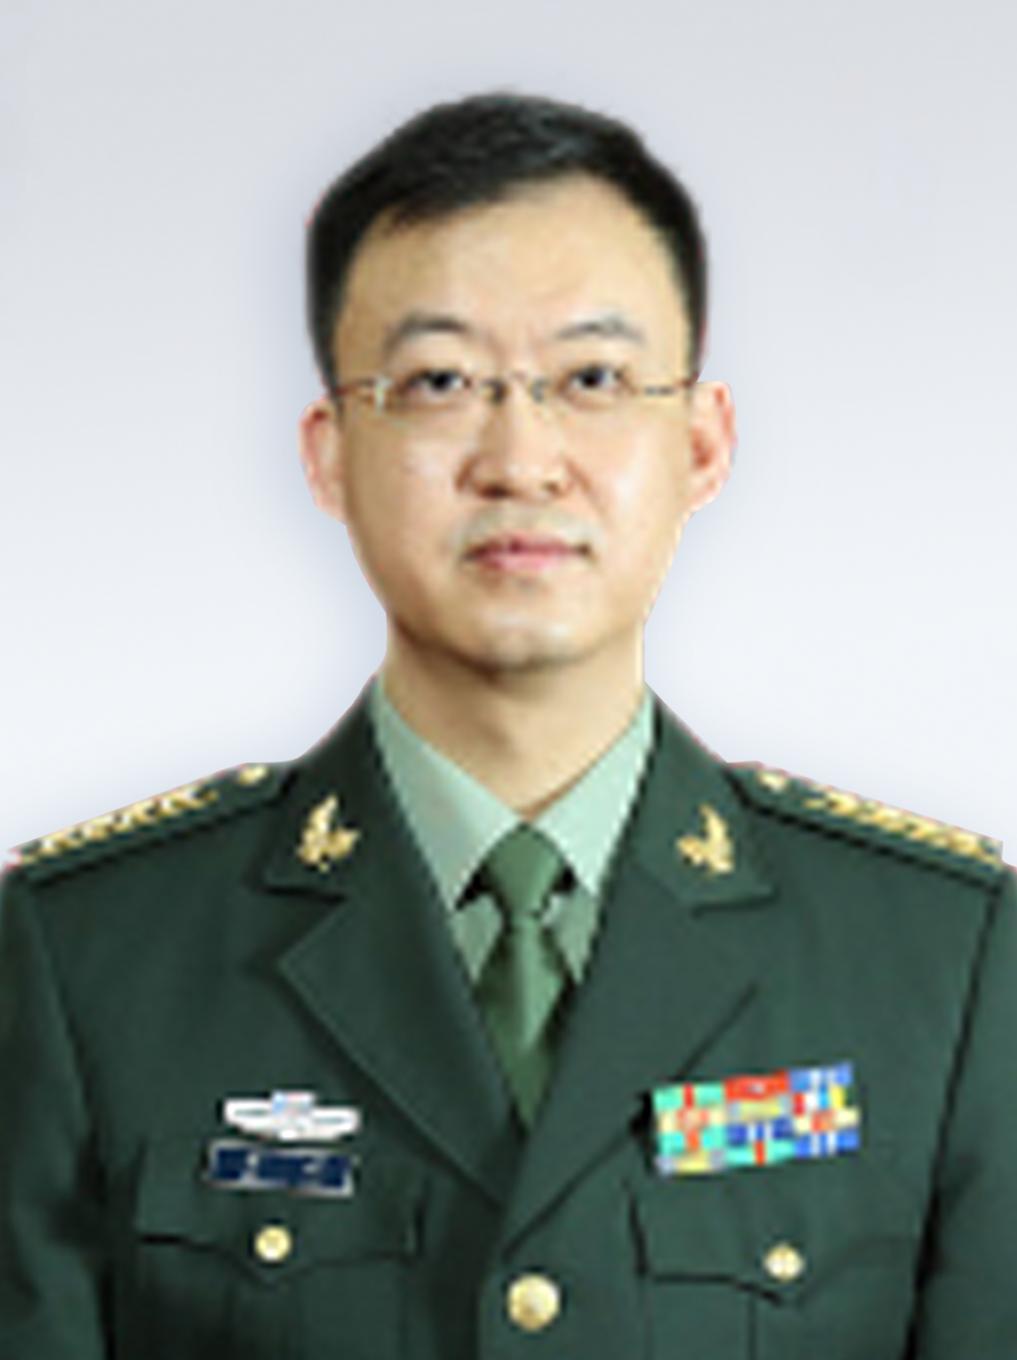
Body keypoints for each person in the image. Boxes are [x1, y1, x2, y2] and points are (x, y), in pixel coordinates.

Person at [1, 91, 1014, 1360]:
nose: (522, 458)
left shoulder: (943, 960)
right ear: (330, 452)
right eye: (438, 382)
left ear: (702, 444)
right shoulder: (86, 956)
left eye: (594, 379)